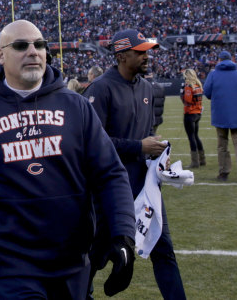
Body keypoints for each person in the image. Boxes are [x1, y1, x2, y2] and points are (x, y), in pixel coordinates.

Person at [0, 20, 136, 300]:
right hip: (9, 267)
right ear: (0, 55)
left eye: (39, 44)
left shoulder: (76, 107)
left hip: (71, 262)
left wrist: (123, 235)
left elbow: (110, 174)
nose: (33, 51)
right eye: (20, 45)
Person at [84, 28, 186, 299]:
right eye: (140, 51)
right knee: (95, 254)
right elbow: (92, 143)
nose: (146, 56)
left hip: (146, 186)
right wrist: (138, 147)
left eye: (147, 50)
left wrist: (158, 156)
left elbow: (146, 132)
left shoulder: (147, 87)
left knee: (164, 251)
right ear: (121, 54)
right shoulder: (100, 88)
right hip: (109, 189)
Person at [203, 52, 237, 184]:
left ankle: (223, 172)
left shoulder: (213, 74)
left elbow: (207, 93)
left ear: (219, 60)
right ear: (232, 60)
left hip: (220, 114)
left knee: (222, 145)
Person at [181, 68, 206, 169]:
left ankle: (195, 162)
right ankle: (202, 159)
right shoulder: (198, 85)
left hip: (190, 113)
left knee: (191, 137)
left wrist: (181, 96)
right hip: (197, 113)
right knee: (196, 136)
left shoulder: (189, 86)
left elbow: (187, 101)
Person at [146, 70, 165, 135]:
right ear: (152, 74)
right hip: (157, 117)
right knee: (153, 136)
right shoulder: (160, 86)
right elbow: (162, 100)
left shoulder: (142, 86)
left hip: (146, 119)